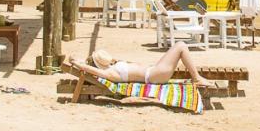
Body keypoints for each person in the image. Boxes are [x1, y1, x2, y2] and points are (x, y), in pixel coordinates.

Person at [65, 42, 212, 88]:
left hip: (154, 70)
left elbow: (87, 63)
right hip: (154, 75)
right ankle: (196, 78)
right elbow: (88, 68)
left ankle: (196, 77)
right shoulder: (110, 73)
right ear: (99, 65)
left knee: (180, 46)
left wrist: (77, 59)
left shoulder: (111, 66)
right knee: (181, 46)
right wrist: (76, 63)